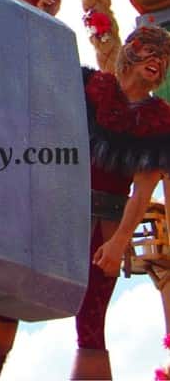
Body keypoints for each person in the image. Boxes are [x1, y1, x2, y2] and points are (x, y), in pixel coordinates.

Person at [74, 24, 170, 380]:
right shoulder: (91, 86)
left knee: (91, 326)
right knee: (13, 297)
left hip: (107, 220)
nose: (157, 61)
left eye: (164, 57)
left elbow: (141, 193)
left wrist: (117, 244)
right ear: (130, 50)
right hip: (58, 210)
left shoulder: (160, 120)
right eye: (150, 50)